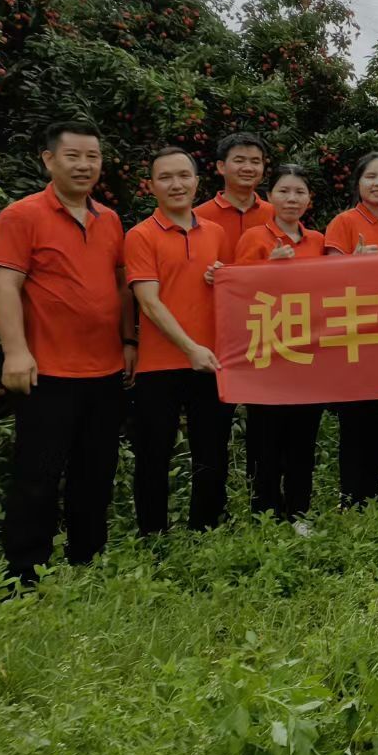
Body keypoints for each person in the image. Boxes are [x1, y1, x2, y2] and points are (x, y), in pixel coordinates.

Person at [0, 121, 133, 583]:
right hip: (47, 370)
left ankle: (87, 557)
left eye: (93, 156)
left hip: (105, 369)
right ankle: (24, 572)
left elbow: (120, 287)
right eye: (73, 156)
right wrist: (15, 352)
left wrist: (129, 341)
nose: (84, 165)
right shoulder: (21, 216)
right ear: (49, 160)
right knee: (38, 474)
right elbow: (3, 285)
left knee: (96, 471)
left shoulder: (110, 220)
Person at [124, 146, 231, 534]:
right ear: (151, 186)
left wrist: (222, 276)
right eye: (165, 177)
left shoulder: (216, 233)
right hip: (160, 364)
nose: (176, 184)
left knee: (212, 452)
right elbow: (149, 302)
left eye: (184, 176)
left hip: (212, 360)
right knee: (153, 454)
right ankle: (153, 536)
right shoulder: (140, 235)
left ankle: (206, 529)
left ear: (197, 182)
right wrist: (190, 348)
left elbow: (232, 291)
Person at [234, 165, 327, 531]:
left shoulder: (317, 240)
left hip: (308, 354)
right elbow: (238, 292)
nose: (292, 199)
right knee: (266, 439)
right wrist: (267, 268)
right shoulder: (255, 237)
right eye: (284, 191)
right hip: (267, 353)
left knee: (303, 439)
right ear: (270, 196)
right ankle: (266, 514)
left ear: (309, 199)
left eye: (299, 192)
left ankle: (299, 511)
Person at [323, 152, 378, 507]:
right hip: (352, 335)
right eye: (370, 177)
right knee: (353, 419)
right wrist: (353, 263)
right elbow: (327, 277)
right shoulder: (343, 222)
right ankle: (350, 495)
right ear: (357, 182)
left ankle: (372, 492)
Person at [195, 132, 273, 262]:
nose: (248, 168)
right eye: (239, 161)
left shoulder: (276, 215)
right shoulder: (198, 217)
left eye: (255, 162)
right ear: (221, 167)